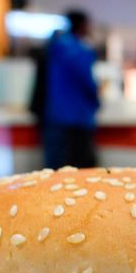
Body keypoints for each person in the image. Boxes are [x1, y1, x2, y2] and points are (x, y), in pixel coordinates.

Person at [42, 10, 100, 169]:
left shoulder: (54, 47)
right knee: (82, 170)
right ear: (82, 25)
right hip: (79, 116)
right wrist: (96, 101)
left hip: (55, 115)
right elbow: (87, 82)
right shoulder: (80, 51)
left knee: (56, 169)